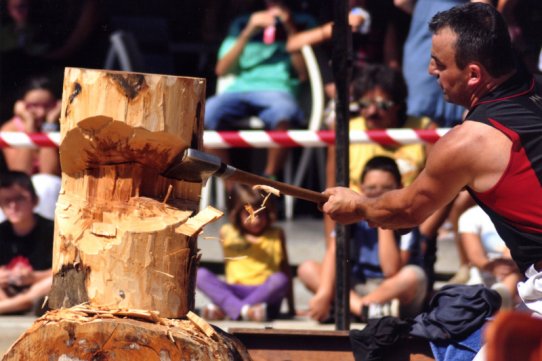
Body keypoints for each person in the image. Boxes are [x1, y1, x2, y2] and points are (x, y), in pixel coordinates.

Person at [322, 3, 542, 318]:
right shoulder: (534, 87)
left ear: (473, 74)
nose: (430, 70)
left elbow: (408, 210)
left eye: (438, 62)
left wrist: (358, 206)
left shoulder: (468, 142)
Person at [299, 156, 427, 322]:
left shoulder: (407, 219)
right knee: (308, 269)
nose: (378, 194)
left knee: (414, 276)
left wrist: (382, 218)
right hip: (359, 285)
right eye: (372, 188)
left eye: (386, 189)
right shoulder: (352, 216)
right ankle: (363, 310)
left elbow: (391, 271)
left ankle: (356, 308)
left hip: (390, 291)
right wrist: (324, 293)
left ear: (400, 188)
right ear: (361, 189)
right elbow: (334, 251)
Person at [204, 0, 315, 180]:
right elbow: (221, 69)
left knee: (283, 113)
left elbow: (304, 73)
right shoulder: (243, 21)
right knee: (206, 112)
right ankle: (233, 190)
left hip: (278, 89)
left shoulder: (305, 21)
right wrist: (248, 31)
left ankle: (267, 185)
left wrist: (290, 28)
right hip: (239, 89)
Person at [196, 185, 290, 321]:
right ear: (237, 213)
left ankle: (229, 310)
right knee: (200, 275)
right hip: (235, 290)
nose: (255, 220)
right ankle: (246, 312)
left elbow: (285, 267)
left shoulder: (276, 234)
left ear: (268, 212)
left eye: (260, 214)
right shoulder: (227, 232)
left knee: (280, 279)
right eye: (249, 214)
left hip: (265, 294)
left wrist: (291, 308)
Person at [1, 76, 61, 221]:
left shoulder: (62, 126)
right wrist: (29, 127)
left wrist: (50, 126)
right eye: (33, 106)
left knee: (45, 183)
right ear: (21, 106)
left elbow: (49, 173)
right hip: (21, 196)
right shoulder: (10, 129)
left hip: (49, 197)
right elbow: (21, 173)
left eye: (47, 105)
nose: (40, 112)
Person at [0, 171, 54, 315]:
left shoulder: (52, 231)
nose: (13, 206)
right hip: (6, 293)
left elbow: (62, 271)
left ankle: (9, 307)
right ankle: (15, 306)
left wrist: (34, 277)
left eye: (19, 199)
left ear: (35, 200)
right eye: (6, 200)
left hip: (37, 292)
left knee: (52, 282)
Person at [459, 205, 522, 309]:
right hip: (484, 276)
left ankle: (500, 302)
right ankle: (501, 302)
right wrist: (494, 267)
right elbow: (475, 256)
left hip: (516, 270)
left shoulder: (519, 214)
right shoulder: (471, 215)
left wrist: (509, 264)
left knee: (514, 273)